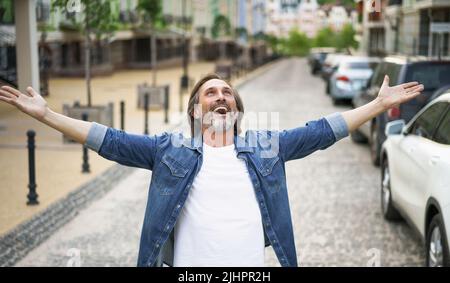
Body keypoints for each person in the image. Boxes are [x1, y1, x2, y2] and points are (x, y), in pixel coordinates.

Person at [0, 73, 424, 267]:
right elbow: (109, 140)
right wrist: (47, 116)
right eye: (210, 93)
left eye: (227, 93)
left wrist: (378, 106)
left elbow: (321, 131)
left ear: (237, 110)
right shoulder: (170, 150)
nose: (220, 98)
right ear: (194, 110)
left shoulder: (267, 148)